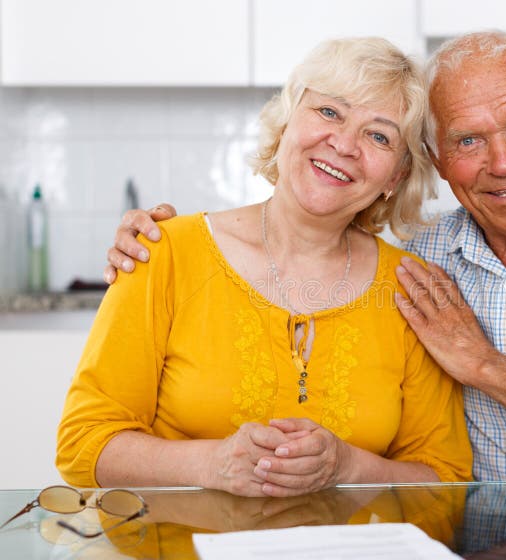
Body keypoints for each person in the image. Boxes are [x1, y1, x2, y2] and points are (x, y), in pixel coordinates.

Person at [104, 31, 506, 487]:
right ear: (436, 160)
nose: (501, 162)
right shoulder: (420, 259)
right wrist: (158, 242)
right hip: (472, 545)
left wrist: (485, 365)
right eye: (467, 140)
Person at [56, 37, 472, 499]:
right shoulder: (164, 252)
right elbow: (83, 445)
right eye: (329, 112)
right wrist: (209, 464)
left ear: (395, 177)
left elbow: (449, 480)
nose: (343, 144)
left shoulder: (410, 289)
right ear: (287, 123)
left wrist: (349, 466)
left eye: (379, 136)